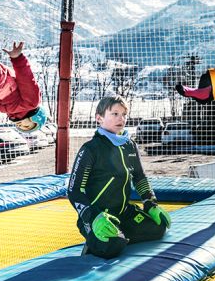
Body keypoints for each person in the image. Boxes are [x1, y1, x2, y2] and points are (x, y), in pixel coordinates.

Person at [67, 95, 170, 259]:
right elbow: (74, 191)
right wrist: (92, 217)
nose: (121, 118)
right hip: (97, 216)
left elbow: (139, 177)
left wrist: (150, 203)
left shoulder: (130, 145)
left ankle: (120, 232)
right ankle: (102, 236)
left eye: (124, 114)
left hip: (123, 212)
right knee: (113, 246)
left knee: (159, 227)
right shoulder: (90, 149)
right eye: (115, 114)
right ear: (99, 118)